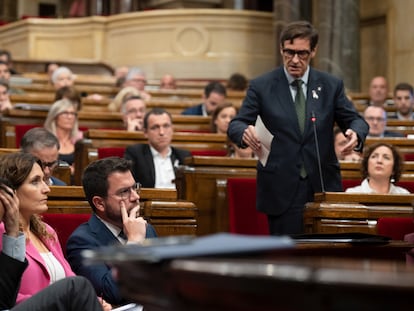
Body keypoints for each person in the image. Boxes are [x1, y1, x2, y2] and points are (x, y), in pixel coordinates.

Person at [227, 20, 369, 236]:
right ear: (281, 49)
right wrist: (244, 132)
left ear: (313, 51)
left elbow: (356, 120)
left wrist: (355, 133)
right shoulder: (262, 86)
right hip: (281, 186)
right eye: (289, 52)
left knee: (323, 258)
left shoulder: (330, 85)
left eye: (301, 53)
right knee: (288, 259)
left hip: (322, 184)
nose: (294, 60)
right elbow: (236, 124)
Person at [66, 156, 157, 306]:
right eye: (124, 192)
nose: (136, 197)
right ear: (99, 203)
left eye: (134, 188)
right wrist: (133, 243)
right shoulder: (82, 241)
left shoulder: (146, 230)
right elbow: (110, 293)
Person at [124, 108, 191, 188]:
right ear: (145, 132)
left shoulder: (184, 156)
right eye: (155, 127)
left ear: (172, 129)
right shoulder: (136, 154)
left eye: (166, 126)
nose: (161, 132)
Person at [345, 143, 410, 194]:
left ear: (394, 168)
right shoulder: (352, 193)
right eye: (374, 156)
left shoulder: (404, 194)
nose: (379, 161)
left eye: (386, 158)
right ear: (367, 164)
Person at [44, 98, 83, 176]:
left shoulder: (80, 139)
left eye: (73, 114)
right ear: (55, 116)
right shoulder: (44, 139)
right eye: (65, 113)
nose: (70, 117)